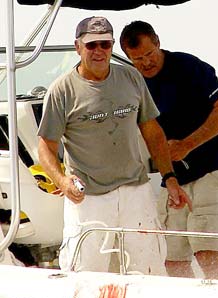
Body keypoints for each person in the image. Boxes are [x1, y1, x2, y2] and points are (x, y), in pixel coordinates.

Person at [37, 16, 191, 275]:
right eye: (91, 45)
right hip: (88, 199)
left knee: (149, 269)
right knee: (86, 273)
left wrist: (170, 177)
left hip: (136, 191)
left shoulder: (131, 76)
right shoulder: (61, 90)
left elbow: (152, 131)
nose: (99, 51)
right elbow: (45, 146)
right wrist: (62, 181)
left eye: (105, 45)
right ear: (78, 47)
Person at [120, 21, 218, 279]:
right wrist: (168, 174)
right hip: (172, 177)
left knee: (206, 251)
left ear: (158, 42)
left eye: (149, 54)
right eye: (137, 59)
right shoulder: (134, 83)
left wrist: (187, 144)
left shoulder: (190, 67)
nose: (146, 63)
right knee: (170, 257)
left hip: (212, 168)